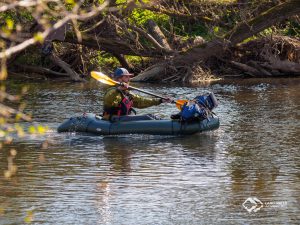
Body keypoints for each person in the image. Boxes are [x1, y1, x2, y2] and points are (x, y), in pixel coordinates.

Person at [102, 68, 171, 121]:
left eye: (129, 77)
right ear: (119, 79)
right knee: (147, 117)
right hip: (113, 119)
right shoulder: (111, 91)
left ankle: (169, 122)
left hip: (123, 118)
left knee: (151, 116)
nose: (129, 79)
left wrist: (160, 100)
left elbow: (142, 101)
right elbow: (110, 101)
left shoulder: (128, 94)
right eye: (126, 77)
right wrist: (120, 89)